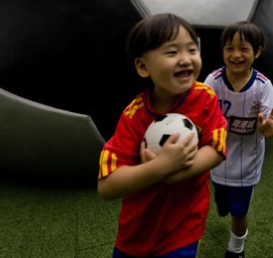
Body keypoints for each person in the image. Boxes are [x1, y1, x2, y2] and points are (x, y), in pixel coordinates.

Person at [97, 13, 228, 258]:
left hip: (183, 230)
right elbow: (107, 186)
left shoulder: (205, 98)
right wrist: (160, 168)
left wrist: (177, 173)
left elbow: (216, 148)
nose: (185, 59)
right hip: (135, 235)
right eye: (172, 52)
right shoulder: (133, 116)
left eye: (191, 49)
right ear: (143, 67)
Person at [204, 21, 273, 258]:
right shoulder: (214, 80)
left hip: (246, 161)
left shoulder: (262, 86)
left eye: (244, 49)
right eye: (230, 48)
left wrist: (268, 127)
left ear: (257, 51)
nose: (236, 55)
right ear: (222, 51)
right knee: (222, 198)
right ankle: (222, 198)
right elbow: (200, 108)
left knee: (239, 211)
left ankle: (236, 250)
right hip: (217, 156)